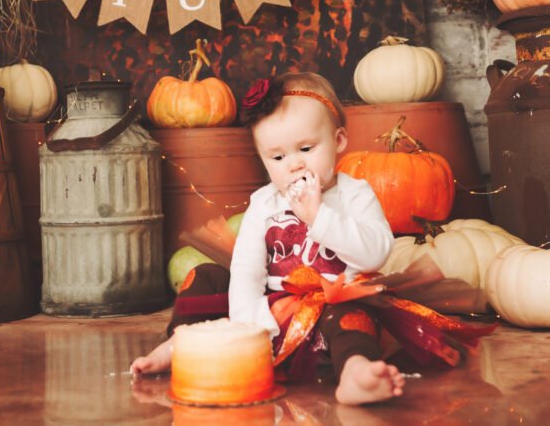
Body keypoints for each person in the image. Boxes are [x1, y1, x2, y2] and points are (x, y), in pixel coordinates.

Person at [131, 72, 405, 405]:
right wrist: (249, 326)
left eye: (306, 148)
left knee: (355, 315)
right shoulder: (264, 202)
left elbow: (375, 254)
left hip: (332, 306)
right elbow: (248, 271)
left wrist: (319, 217)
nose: (294, 164)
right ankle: (183, 345)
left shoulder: (355, 194)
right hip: (272, 310)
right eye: (277, 157)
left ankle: (356, 372)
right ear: (263, 160)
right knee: (206, 277)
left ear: (339, 140)